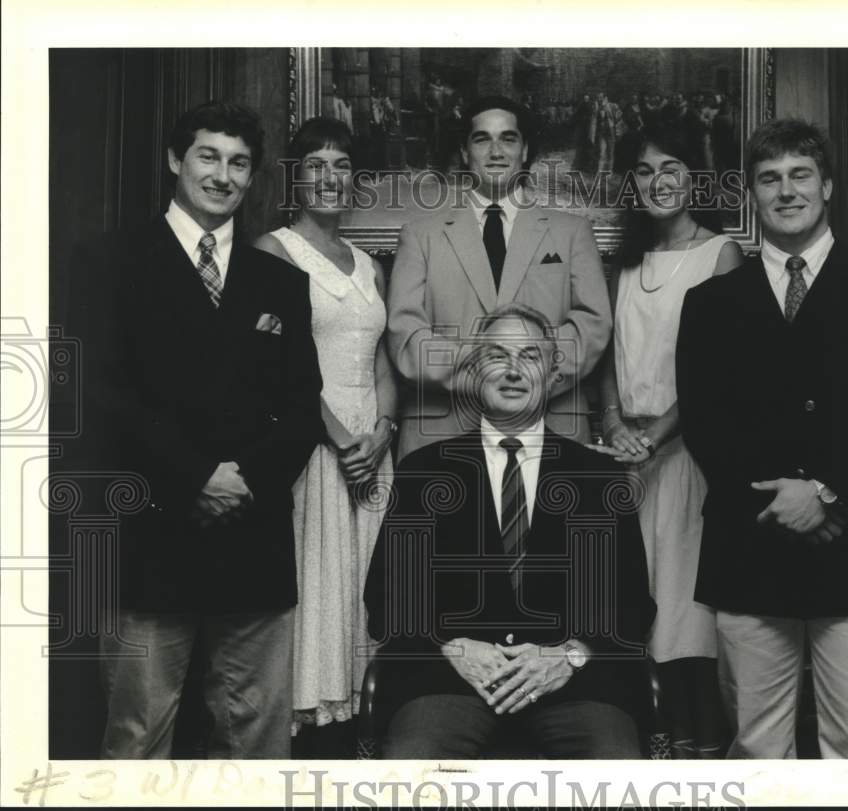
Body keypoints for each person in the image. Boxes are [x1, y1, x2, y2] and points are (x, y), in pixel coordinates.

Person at [70, 101, 323, 758]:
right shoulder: (110, 261)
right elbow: (98, 395)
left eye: (239, 162)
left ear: (253, 176)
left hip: (253, 537)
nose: (223, 174)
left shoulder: (282, 282)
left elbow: (303, 406)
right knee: (138, 736)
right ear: (176, 161)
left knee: (257, 742)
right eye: (208, 156)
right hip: (149, 540)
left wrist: (242, 482)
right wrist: (195, 477)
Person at [675, 118, 848, 758]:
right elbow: (705, 424)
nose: (786, 191)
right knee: (758, 751)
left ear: (827, 187)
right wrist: (782, 498)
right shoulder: (710, 302)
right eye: (769, 179)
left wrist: (826, 492)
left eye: (799, 175)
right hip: (750, 547)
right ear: (752, 195)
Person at [364, 304, 656, 758]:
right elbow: (386, 598)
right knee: (413, 767)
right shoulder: (424, 471)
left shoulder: (599, 476)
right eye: (497, 356)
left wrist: (571, 655)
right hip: (451, 686)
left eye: (531, 357)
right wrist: (454, 648)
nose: (514, 371)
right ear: (476, 370)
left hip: (574, 687)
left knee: (614, 771)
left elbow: (633, 603)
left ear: (554, 374)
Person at [594, 124, 742, 758]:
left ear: (694, 178)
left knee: (688, 611)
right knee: (642, 602)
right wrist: (614, 426)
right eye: (644, 172)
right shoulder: (624, 262)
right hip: (630, 458)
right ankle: (663, 745)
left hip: (689, 456)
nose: (657, 182)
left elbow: (719, 371)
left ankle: (703, 750)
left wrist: (654, 436)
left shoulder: (722, 253)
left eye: (671, 167)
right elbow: (606, 363)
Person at [254, 117, 397, 757]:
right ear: (295, 176)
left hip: (372, 449)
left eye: (342, 166)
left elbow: (384, 362)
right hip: (314, 445)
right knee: (317, 581)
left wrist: (382, 434)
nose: (330, 178)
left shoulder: (368, 262)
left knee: (365, 583)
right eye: (316, 165)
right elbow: (274, 372)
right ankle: (311, 736)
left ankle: (362, 722)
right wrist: (341, 439)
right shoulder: (273, 250)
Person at [387, 95, 612, 459]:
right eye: (482, 139)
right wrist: (486, 377)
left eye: (508, 138)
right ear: (464, 151)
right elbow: (405, 336)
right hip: (441, 436)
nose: (496, 151)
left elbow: (593, 326)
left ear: (525, 151)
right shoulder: (420, 235)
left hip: (549, 431)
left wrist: (526, 376)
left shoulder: (572, 232)